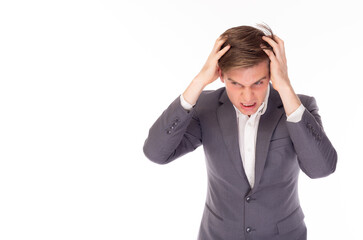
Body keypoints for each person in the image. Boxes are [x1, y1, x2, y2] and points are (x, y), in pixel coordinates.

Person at [143, 24, 337, 240]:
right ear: (221, 76)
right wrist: (199, 81)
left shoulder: (298, 107)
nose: (247, 97)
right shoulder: (206, 107)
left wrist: (285, 87)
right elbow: (156, 152)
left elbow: (321, 169)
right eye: (236, 83)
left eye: (258, 82)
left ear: (272, 74)